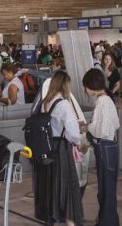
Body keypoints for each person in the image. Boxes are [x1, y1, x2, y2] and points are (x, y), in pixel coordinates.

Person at [33, 71, 84, 226]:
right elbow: (73, 133)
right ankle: (70, 221)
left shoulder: (45, 103)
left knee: (52, 184)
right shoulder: (64, 105)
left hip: (47, 147)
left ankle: (52, 217)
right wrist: (79, 140)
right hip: (62, 149)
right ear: (64, 85)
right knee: (68, 186)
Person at [82, 69, 120, 226]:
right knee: (107, 189)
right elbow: (115, 124)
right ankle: (107, 220)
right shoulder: (107, 99)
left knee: (106, 190)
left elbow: (102, 131)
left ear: (91, 86)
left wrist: (87, 128)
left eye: (85, 86)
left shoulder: (102, 102)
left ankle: (107, 222)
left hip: (105, 148)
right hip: (110, 148)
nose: (85, 90)